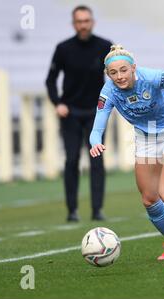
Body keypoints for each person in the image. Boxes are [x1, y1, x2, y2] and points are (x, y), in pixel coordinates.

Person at [89, 45, 164, 260]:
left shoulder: (153, 77)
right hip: (146, 137)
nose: (119, 76)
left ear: (133, 68)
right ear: (108, 74)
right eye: (113, 73)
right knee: (149, 198)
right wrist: (95, 142)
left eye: (124, 70)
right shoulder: (108, 92)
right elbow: (98, 126)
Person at [45, 5, 112, 222]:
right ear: (74, 24)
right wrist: (57, 103)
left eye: (86, 21)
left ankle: (97, 210)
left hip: (97, 113)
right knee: (71, 160)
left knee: (96, 161)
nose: (83, 25)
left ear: (92, 22)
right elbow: (50, 80)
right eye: (79, 21)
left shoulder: (105, 46)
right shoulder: (63, 48)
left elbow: (116, 76)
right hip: (70, 113)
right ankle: (72, 211)